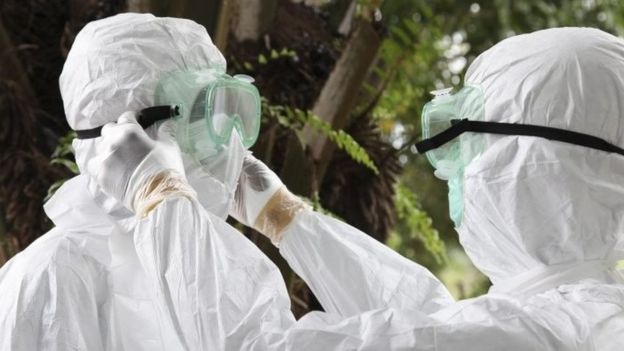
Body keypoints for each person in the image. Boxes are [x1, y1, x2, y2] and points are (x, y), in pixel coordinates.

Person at [0, 13, 622, 351]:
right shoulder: (47, 277)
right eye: (209, 114)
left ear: (547, 167)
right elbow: (427, 318)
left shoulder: (551, 330)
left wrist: (164, 203)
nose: (451, 169)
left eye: (470, 146)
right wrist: (288, 219)